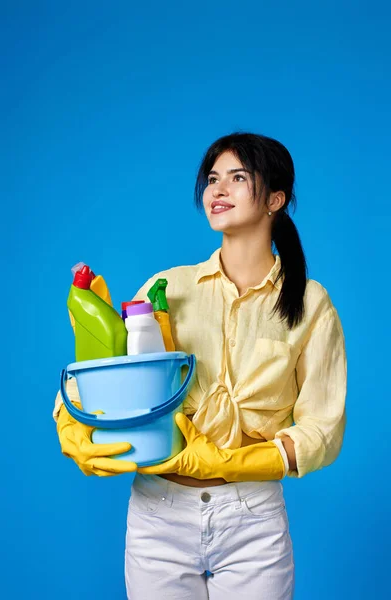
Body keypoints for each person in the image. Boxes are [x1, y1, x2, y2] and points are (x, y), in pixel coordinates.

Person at [54, 132, 347, 599]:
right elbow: (113, 377)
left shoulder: (310, 304)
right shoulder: (168, 287)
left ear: (276, 198)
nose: (218, 190)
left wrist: (232, 462)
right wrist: (73, 424)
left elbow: (323, 430)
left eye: (237, 177)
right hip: (158, 514)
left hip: (253, 519)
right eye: (212, 179)